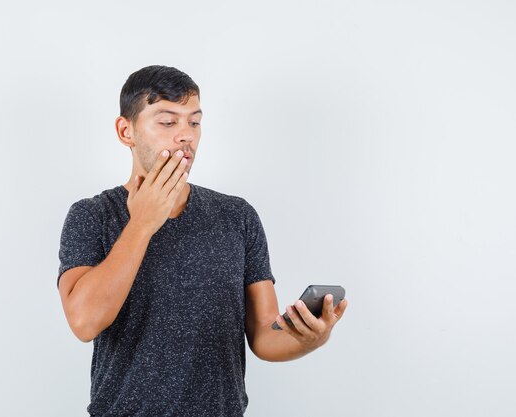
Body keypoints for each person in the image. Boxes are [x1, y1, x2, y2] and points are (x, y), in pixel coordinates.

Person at [56, 65, 348, 417]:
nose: (185, 136)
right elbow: (84, 322)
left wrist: (309, 338)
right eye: (167, 122)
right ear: (126, 131)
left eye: (194, 122)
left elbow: (263, 335)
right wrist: (143, 223)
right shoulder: (92, 216)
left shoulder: (237, 216)